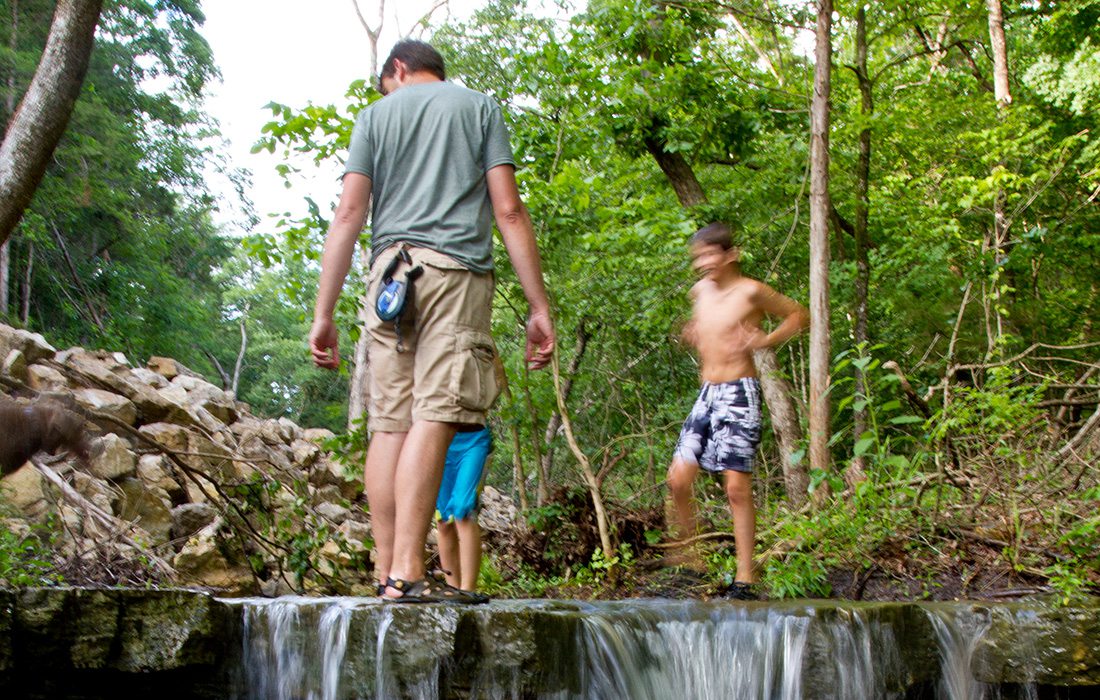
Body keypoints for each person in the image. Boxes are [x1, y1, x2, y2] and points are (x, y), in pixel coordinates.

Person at [308, 40, 554, 603]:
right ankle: (410, 572)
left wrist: (324, 314)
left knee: (390, 423)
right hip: (454, 274)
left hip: (388, 279)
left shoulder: (373, 118)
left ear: (397, 69)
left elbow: (349, 213)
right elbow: (508, 209)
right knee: (437, 412)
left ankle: (388, 568)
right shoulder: (479, 109)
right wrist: (539, 307)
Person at [666, 222, 809, 600]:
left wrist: (766, 339)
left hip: (739, 392)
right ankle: (693, 559)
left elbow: (799, 315)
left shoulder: (751, 291)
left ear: (730, 255)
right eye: (698, 258)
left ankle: (745, 576)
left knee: (735, 487)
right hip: (707, 393)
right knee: (678, 479)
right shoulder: (700, 292)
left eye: (709, 255)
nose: (703, 265)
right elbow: (704, 327)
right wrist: (692, 332)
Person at [434, 425, 493, 594]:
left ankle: (468, 590)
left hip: (474, 438)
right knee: (443, 520)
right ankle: (452, 589)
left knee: (462, 510)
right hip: (440, 439)